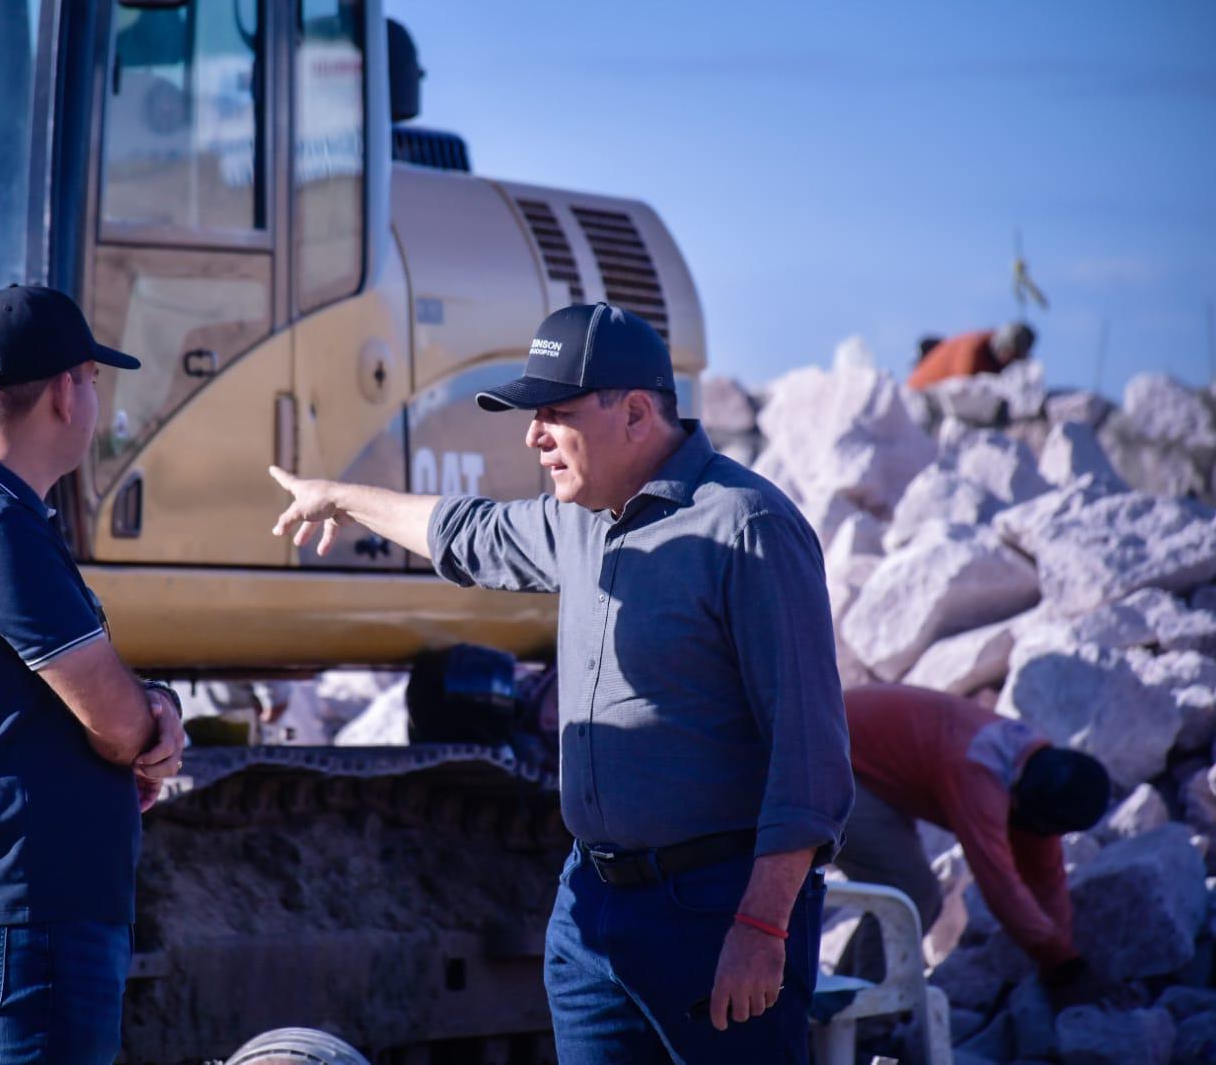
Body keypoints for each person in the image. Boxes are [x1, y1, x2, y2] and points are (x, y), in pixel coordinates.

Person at [269, 302, 853, 1063]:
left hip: (714, 910)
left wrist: (762, 927)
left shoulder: (745, 528)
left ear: (636, 413)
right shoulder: (582, 517)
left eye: (554, 413)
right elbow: (461, 531)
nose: (531, 435)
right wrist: (340, 498)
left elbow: (809, 761)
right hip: (592, 909)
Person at [0, 285, 186, 1064]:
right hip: (33, 920)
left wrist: (149, 710)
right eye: (92, 380)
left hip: (10, 917)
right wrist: (153, 716)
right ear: (65, 391)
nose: (93, 400)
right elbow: (118, 726)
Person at [840, 684, 1111, 1002]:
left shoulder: (1031, 770)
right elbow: (999, 885)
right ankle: (857, 1021)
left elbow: (1045, 875)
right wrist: (1062, 962)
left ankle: (837, 1010)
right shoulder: (978, 772)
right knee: (911, 894)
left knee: (902, 897)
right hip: (824, 760)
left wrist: (1063, 953)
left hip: (857, 757)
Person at [907, 322, 1036, 390]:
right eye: (1009, 352)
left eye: (1014, 357)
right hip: (921, 399)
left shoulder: (987, 352)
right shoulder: (973, 350)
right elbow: (966, 390)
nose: (1008, 360)